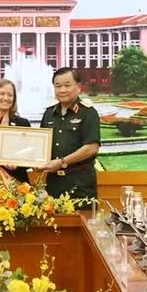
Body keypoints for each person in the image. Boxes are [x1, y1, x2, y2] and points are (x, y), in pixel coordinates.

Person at [39, 67, 101, 203]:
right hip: (53, 183)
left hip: (80, 184)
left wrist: (62, 162)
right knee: (55, 223)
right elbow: (41, 146)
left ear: (78, 87)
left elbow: (92, 147)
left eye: (67, 85)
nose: (62, 90)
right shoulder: (49, 113)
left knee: (81, 222)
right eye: (58, 86)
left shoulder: (88, 113)